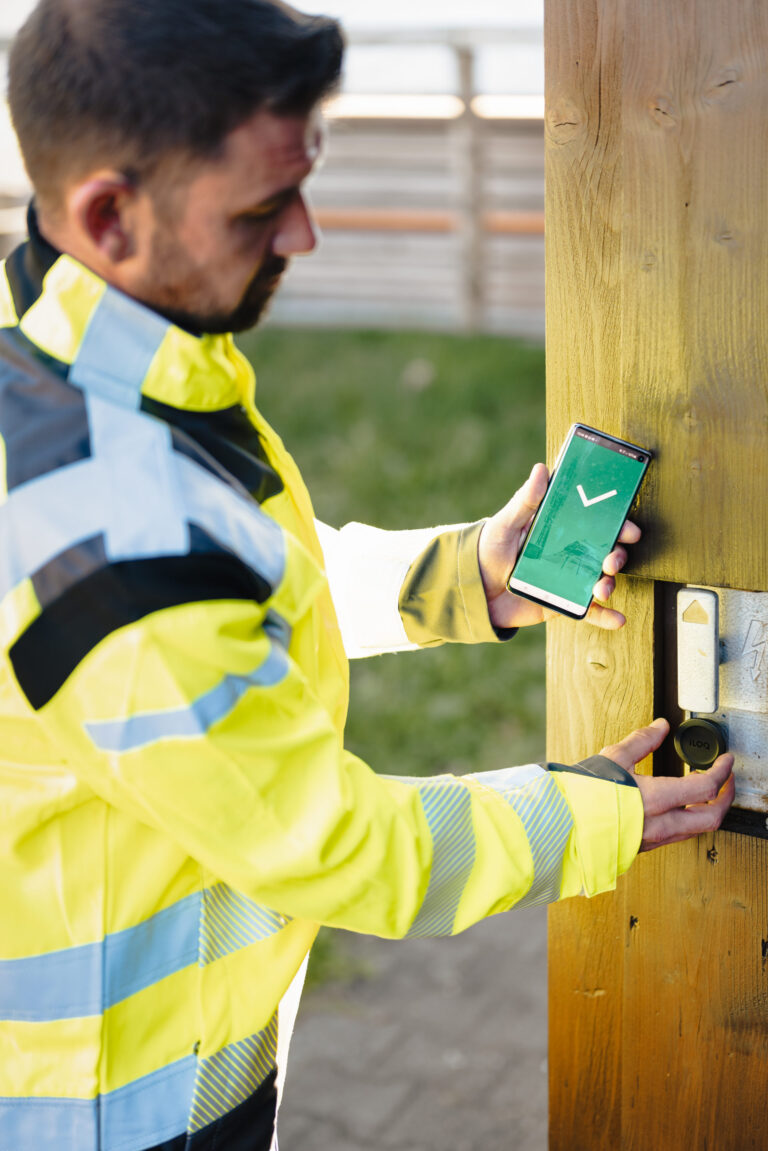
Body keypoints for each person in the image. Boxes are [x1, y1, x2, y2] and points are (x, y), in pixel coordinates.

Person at [0, 1, 734, 1148]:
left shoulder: (65, 355)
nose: (303, 234)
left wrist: (467, 577)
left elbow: (232, 603)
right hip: (112, 1112)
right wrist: (587, 812)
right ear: (109, 213)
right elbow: (338, 844)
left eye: (304, 180)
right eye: (260, 206)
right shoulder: (113, 529)